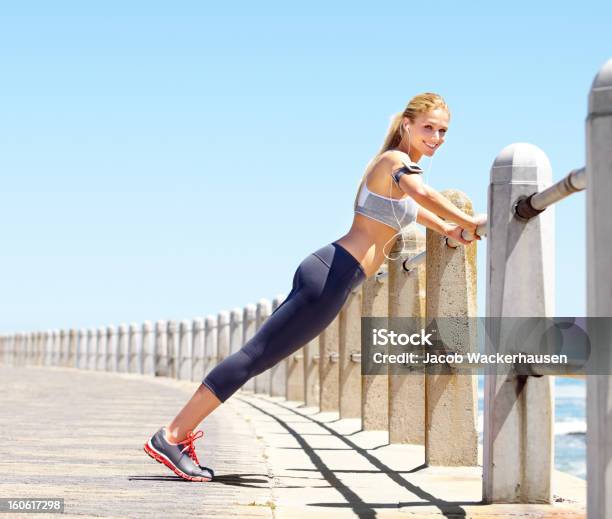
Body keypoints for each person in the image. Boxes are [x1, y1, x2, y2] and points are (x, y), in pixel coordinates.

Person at [143, 92, 484, 482]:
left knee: (259, 357)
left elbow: (416, 209)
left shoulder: (398, 172)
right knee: (255, 356)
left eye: (443, 131)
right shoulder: (396, 162)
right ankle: (171, 435)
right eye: (429, 127)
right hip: (333, 273)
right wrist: (470, 222)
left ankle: (176, 435)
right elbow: (425, 195)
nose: (437, 137)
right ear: (407, 124)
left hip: (332, 273)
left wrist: (451, 230)